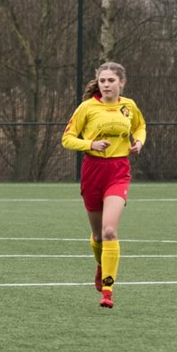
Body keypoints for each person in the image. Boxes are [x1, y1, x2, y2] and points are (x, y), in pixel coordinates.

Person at [61, 62, 146, 308]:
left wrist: (138, 142)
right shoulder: (87, 107)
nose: (106, 85)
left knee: (109, 230)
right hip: (93, 171)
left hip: (118, 171)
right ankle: (101, 264)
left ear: (122, 83)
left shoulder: (129, 106)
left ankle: (107, 291)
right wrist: (90, 145)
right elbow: (67, 139)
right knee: (98, 235)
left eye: (111, 80)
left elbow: (140, 127)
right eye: (102, 81)